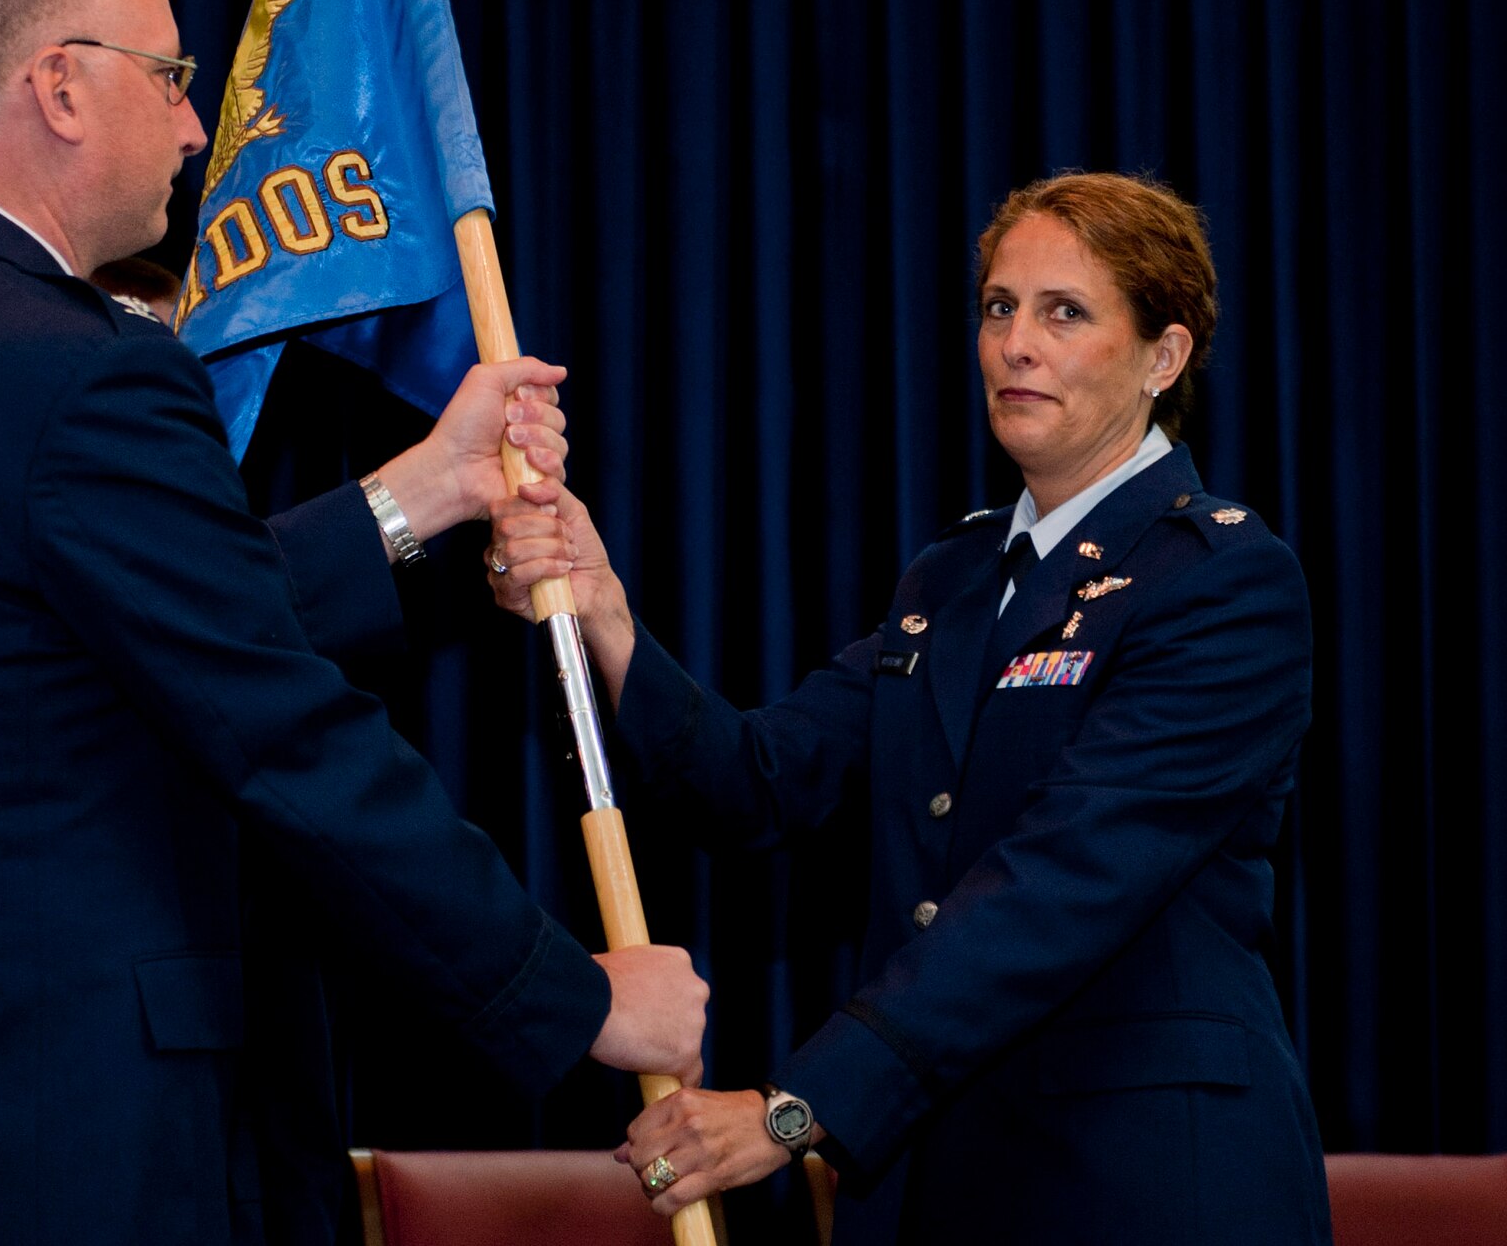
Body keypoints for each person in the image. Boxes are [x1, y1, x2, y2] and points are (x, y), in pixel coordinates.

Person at [0, 0, 706, 1245]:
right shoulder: (84, 375)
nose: (194, 123)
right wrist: (576, 995)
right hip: (63, 1147)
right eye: (172, 76)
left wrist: (424, 490)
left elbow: (60, 652)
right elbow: (282, 729)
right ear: (60, 87)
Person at [488, 173, 1329, 1244]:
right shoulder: (953, 579)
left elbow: (1061, 883)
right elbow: (758, 783)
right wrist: (603, 611)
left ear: (1161, 359)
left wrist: (800, 1106)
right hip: (940, 1179)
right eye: (997, 306)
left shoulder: (1222, 580)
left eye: (1061, 311)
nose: (1014, 343)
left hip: (1142, 1182)